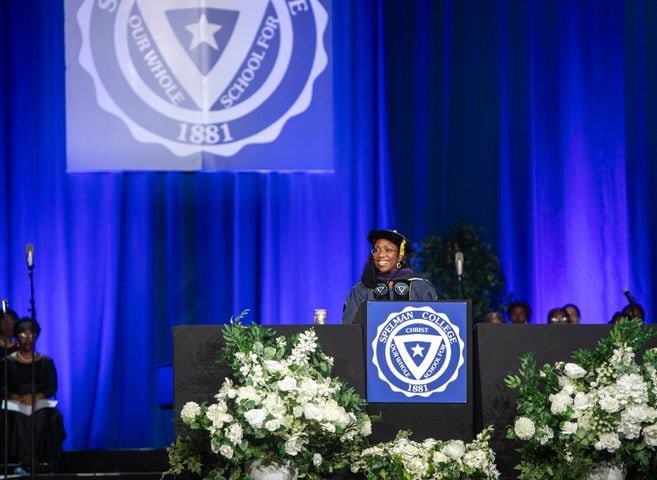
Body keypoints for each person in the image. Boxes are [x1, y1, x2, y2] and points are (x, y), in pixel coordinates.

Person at [1, 318, 66, 472]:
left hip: (39, 401)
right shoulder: (7, 362)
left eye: (32, 334)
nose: (28, 338)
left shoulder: (46, 362)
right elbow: (3, 387)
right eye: (23, 334)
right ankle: (24, 461)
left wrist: (37, 396)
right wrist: (16, 396)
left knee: (46, 416)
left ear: (37, 337)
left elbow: (52, 387)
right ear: (17, 336)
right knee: (17, 417)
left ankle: (39, 460)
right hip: (15, 402)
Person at [341, 229, 439, 324]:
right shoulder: (362, 289)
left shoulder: (420, 286)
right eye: (376, 250)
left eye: (387, 250)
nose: (381, 255)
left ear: (400, 256)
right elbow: (349, 330)